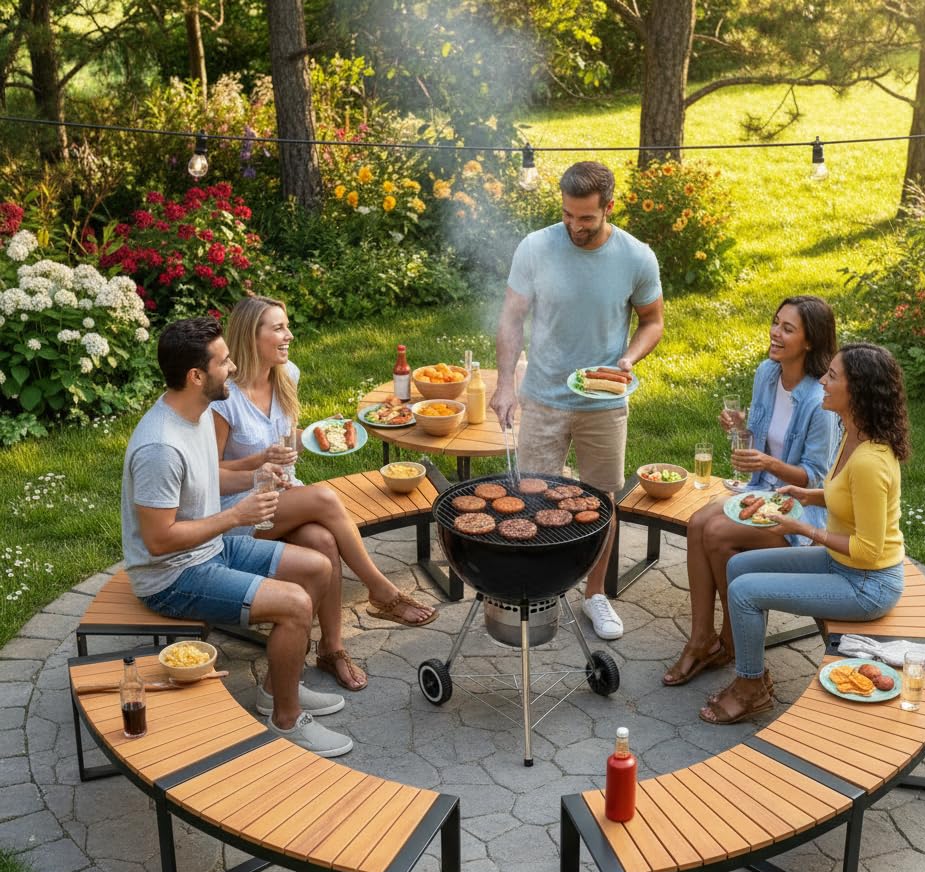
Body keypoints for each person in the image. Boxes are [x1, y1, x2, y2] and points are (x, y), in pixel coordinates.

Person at [121, 316, 355, 756]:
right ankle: (287, 722)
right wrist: (235, 518)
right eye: (224, 361)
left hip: (207, 549)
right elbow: (159, 542)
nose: (233, 368)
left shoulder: (194, 413)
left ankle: (276, 690)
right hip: (172, 576)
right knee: (295, 604)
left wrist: (253, 477)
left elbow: (206, 483)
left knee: (318, 568)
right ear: (196, 376)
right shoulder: (160, 447)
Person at [213, 296, 438, 692]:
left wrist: (320, 434)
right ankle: (380, 590)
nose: (289, 335)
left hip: (285, 497)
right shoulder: (225, 399)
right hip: (243, 512)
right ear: (252, 336)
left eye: (287, 326)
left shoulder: (287, 374)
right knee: (326, 498)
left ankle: (332, 650)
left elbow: (286, 442)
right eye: (278, 328)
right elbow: (210, 476)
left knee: (323, 540)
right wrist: (259, 463)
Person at [490, 161, 664, 640]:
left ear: (609, 207)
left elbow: (652, 321)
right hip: (543, 394)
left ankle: (594, 594)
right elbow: (511, 318)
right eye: (568, 215)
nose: (574, 226)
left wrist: (628, 359)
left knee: (601, 498)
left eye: (586, 218)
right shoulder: (536, 247)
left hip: (603, 399)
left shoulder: (636, 257)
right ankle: (538, 585)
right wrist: (505, 383)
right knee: (531, 495)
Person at [699, 342, 910, 725]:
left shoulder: (870, 461)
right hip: (841, 564)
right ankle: (752, 669)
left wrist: (803, 527)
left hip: (868, 583)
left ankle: (751, 689)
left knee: (745, 593)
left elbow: (867, 549)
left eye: (832, 376)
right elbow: (843, 497)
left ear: (857, 390)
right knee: (740, 568)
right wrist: (805, 493)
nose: (823, 383)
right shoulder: (853, 433)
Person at [663, 296, 839, 685]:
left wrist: (768, 464)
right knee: (696, 524)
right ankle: (702, 638)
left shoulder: (817, 400)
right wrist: (741, 424)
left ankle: (733, 644)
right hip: (760, 492)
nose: (775, 333)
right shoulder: (767, 373)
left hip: (796, 509)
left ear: (810, 342)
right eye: (776, 323)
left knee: (718, 534)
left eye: (788, 328)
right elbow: (760, 435)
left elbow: (817, 479)